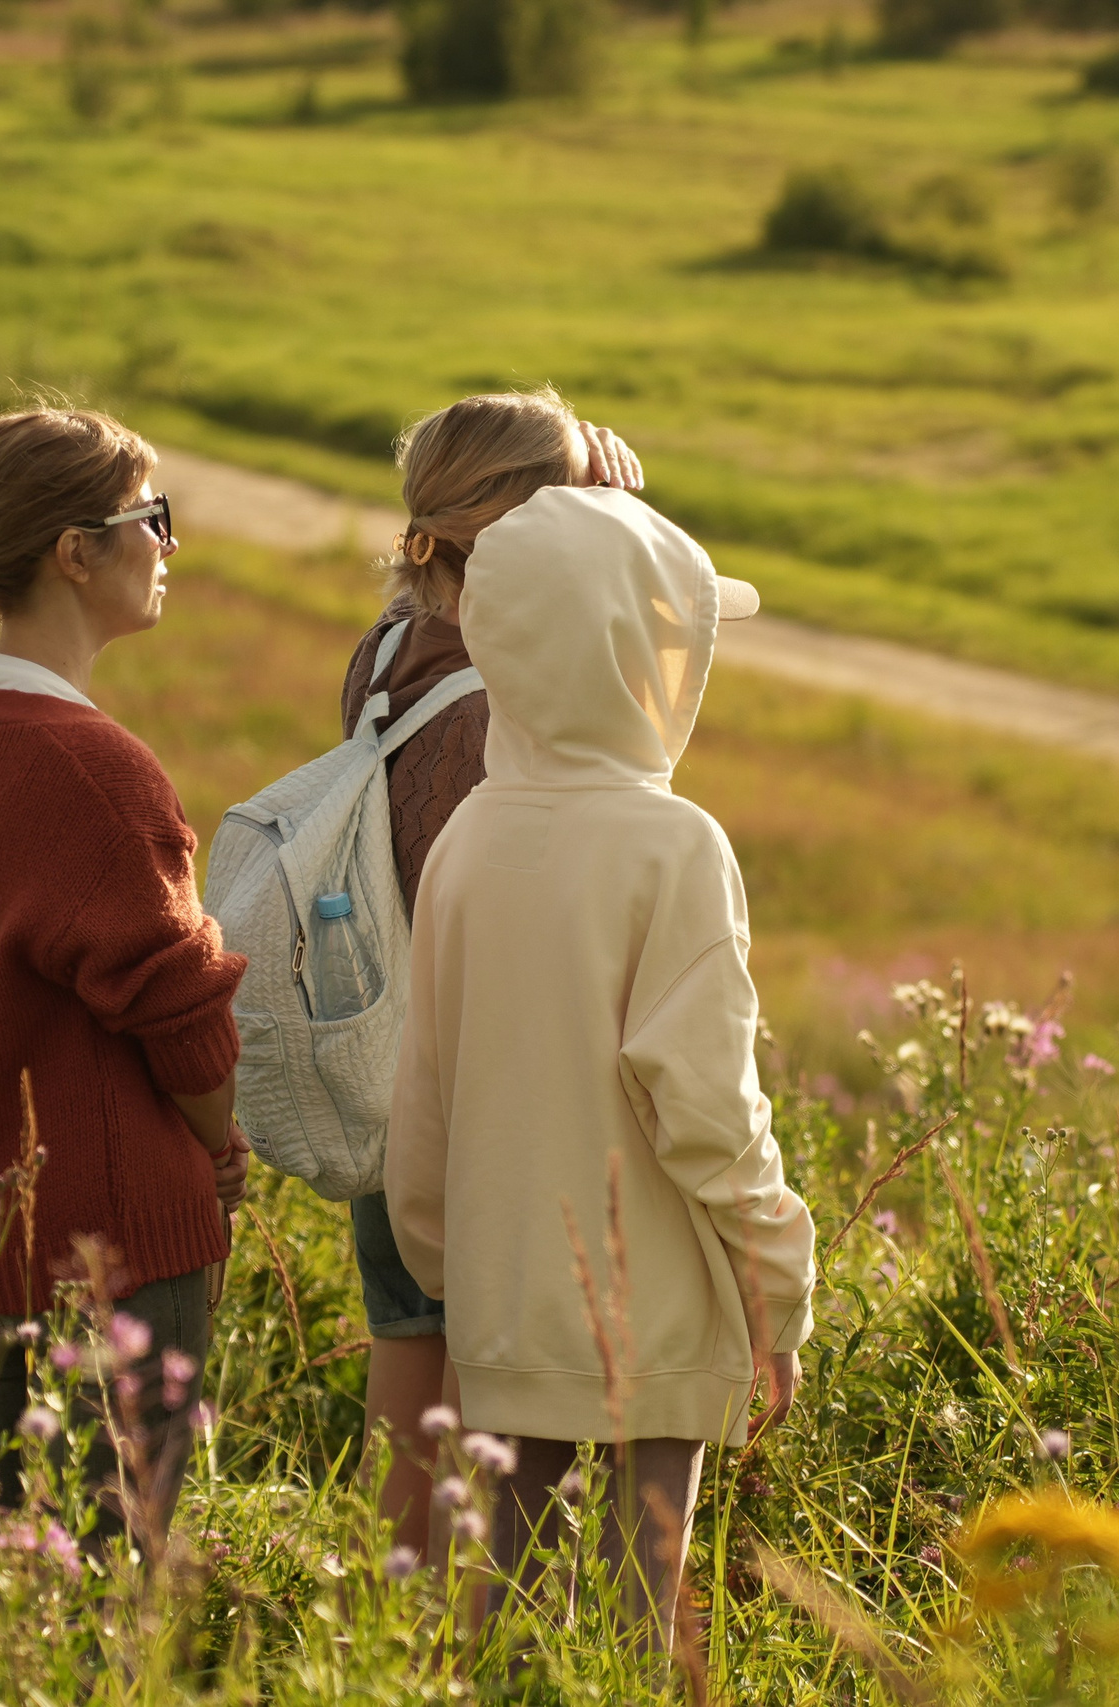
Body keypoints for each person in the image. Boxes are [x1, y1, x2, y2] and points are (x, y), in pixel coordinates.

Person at [386, 483, 817, 1636]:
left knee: (507, 1615)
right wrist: (778, 1284)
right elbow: (713, 1110)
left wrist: (449, 1261)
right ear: (635, 656)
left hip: (503, 1288)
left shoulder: (469, 836)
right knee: (638, 1624)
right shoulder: (673, 845)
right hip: (654, 1311)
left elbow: (422, 1090)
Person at [0, 407, 250, 1543]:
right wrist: (220, 1146)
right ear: (76, 551)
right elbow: (186, 1021)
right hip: (107, 1263)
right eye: (150, 520)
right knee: (110, 1589)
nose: (168, 545)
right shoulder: (95, 768)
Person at [339, 387, 644, 1564]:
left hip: (388, 1065)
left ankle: (390, 1648)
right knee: (495, 1428)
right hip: (485, 1096)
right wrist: (623, 554)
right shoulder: (506, 691)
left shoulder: (385, 650)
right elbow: (636, 772)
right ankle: (478, 1661)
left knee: (409, 1384)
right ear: (531, 523)